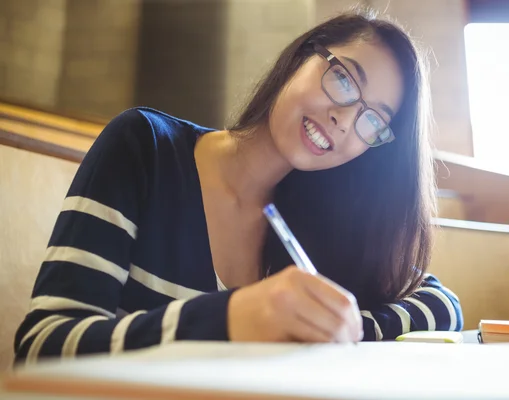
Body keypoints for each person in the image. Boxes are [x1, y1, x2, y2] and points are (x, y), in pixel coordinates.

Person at [14, 7, 463, 365]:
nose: (344, 120)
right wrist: (228, 318)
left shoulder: (322, 222)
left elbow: (442, 304)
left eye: (373, 120)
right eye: (344, 79)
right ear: (302, 56)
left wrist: (341, 324)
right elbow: (43, 344)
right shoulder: (145, 147)